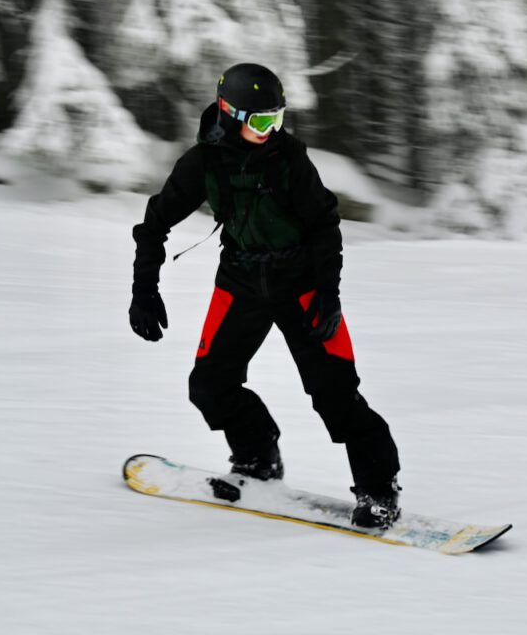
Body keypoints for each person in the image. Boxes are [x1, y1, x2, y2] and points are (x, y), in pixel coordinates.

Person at [128, 62, 401, 529]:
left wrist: (328, 295)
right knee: (210, 386)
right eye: (260, 121)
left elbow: (325, 225)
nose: (270, 130)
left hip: (302, 285)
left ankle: (378, 488)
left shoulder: (289, 158)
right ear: (229, 114)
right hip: (240, 282)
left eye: (276, 119)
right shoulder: (203, 162)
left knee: (335, 393)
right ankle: (258, 457)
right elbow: (153, 225)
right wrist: (144, 289)